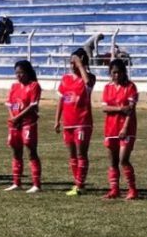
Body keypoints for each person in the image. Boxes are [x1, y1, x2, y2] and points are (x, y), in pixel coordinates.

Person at [55, 48, 95, 196]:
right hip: (68, 123)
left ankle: (80, 185)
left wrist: (80, 65)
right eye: (71, 62)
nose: (72, 65)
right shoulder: (65, 79)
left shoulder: (89, 77)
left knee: (81, 154)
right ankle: (77, 183)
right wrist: (57, 120)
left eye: (75, 62)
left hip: (82, 122)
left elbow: (88, 82)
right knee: (72, 155)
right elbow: (61, 100)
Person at [100, 58, 139, 200]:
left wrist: (125, 128)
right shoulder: (107, 87)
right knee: (112, 161)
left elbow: (130, 110)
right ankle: (114, 189)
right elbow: (104, 108)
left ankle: (132, 189)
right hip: (110, 128)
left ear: (124, 72)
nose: (116, 75)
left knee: (123, 159)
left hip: (125, 129)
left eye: (119, 72)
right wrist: (120, 108)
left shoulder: (130, 87)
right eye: (114, 73)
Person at [5, 60, 42, 193]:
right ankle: (16, 182)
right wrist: (12, 117)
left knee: (31, 151)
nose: (19, 76)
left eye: (21, 72)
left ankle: (36, 184)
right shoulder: (14, 86)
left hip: (28, 123)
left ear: (27, 72)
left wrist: (18, 117)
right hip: (15, 123)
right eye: (17, 73)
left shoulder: (34, 86)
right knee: (16, 152)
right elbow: (9, 104)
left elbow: (32, 106)